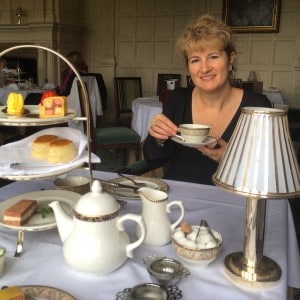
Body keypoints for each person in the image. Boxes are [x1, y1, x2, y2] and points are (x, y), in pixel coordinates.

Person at [143, 14, 272, 185]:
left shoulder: (257, 105)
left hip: (233, 199)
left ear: (230, 59)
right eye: (195, 60)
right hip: (178, 198)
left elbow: (271, 172)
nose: (204, 68)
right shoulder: (178, 100)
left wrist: (235, 161)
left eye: (213, 57)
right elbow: (154, 160)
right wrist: (157, 138)